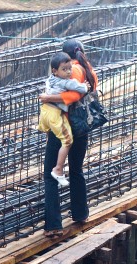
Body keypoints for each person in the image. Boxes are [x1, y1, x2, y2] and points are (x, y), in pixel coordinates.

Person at [39, 39, 98, 238]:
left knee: (50, 175)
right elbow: (88, 90)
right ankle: (81, 214)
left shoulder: (71, 69)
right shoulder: (88, 69)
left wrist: (48, 98)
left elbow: (73, 96)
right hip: (81, 127)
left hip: (63, 127)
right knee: (76, 170)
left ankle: (53, 225)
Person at [38, 51, 88, 187]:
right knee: (67, 140)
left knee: (51, 140)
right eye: (65, 69)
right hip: (57, 115)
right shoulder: (68, 81)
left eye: (69, 69)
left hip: (45, 112)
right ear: (55, 70)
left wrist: (48, 97)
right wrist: (85, 86)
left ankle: (56, 169)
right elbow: (79, 90)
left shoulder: (50, 78)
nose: (68, 72)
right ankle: (58, 169)